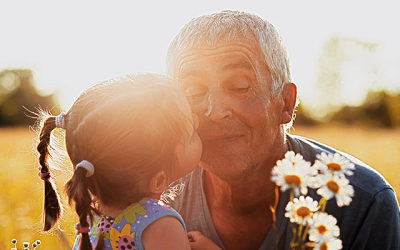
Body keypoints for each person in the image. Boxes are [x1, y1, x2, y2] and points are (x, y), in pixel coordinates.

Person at [166, 10, 400, 250]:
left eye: (239, 86)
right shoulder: (151, 192)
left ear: (286, 103)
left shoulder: (364, 203)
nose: (214, 111)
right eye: (193, 93)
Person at [34, 73, 220, 250]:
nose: (197, 120)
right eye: (190, 133)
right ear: (159, 181)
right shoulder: (160, 223)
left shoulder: (92, 219)